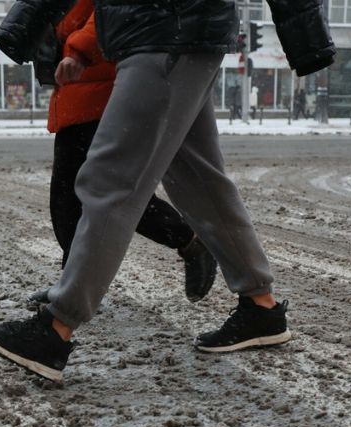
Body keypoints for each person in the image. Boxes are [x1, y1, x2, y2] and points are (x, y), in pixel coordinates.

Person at [0, 0, 335, 382]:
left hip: (166, 27)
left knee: (111, 178)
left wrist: (305, 36)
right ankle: (261, 306)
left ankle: (55, 329)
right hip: (172, 29)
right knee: (197, 177)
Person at [31, 0, 217, 307]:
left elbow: (110, 14)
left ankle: (190, 241)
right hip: (78, 90)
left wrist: (79, 50)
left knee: (109, 195)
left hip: (103, 85)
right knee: (72, 200)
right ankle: (72, 284)